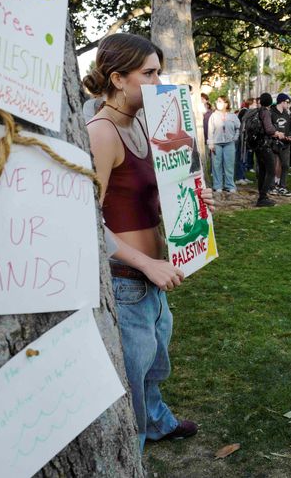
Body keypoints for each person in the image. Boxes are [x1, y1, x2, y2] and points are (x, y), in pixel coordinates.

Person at [83, 33, 211, 449]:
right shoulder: (101, 133)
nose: (159, 82)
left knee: (155, 364)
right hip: (127, 278)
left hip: (155, 277)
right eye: (149, 73)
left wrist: (196, 197)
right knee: (131, 375)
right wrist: (146, 264)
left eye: (159, 72)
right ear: (118, 79)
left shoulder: (144, 122)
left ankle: (156, 423)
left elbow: (162, 190)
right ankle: (132, 448)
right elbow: (84, 220)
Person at [255, 92, 286, 207]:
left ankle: (262, 196)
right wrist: (277, 133)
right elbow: (269, 129)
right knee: (271, 170)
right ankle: (263, 197)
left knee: (263, 170)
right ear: (269, 102)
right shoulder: (266, 112)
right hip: (265, 145)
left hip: (258, 145)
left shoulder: (258, 111)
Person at [208, 96, 241, 194]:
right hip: (216, 143)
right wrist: (211, 143)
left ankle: (229, 185)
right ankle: (217, 185)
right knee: (216, 165)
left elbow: (238, 128)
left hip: (229, 143)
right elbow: (210, 130)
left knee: (229, 165)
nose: (218, 103)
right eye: (217, 101)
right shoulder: (213, 115)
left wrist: (235, 137)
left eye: (220, 101)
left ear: (226, 104)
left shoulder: (232, 116)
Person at [270, 93, 291, 196]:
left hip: (285, 144)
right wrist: (276, 135)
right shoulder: (271, 113)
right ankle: (272, 186)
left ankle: (282, 187)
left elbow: (289, 128)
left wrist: (290, 136)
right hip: (273, 143)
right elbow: (269, 128)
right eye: (287, 102)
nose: (288, 105)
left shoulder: (286, 114)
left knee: (285, 165)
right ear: (282, 101)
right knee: (273, 165)